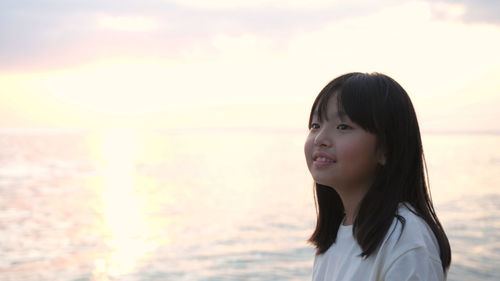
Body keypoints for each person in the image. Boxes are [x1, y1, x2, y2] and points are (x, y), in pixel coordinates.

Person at [304, 72, 451, 281]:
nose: (320, 138)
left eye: (343, 126)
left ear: (385, 149)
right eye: (315, 125)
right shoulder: (335, 236)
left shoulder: (406, 240)